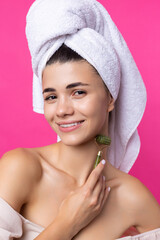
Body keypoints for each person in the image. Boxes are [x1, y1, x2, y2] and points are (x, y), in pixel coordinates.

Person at [0, 0, 160, 240]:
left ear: (109, 98)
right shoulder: (21, 168)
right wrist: (68, 222)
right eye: (51, 96)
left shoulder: (132, 197)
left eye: (78, 92)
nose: (62, 110)